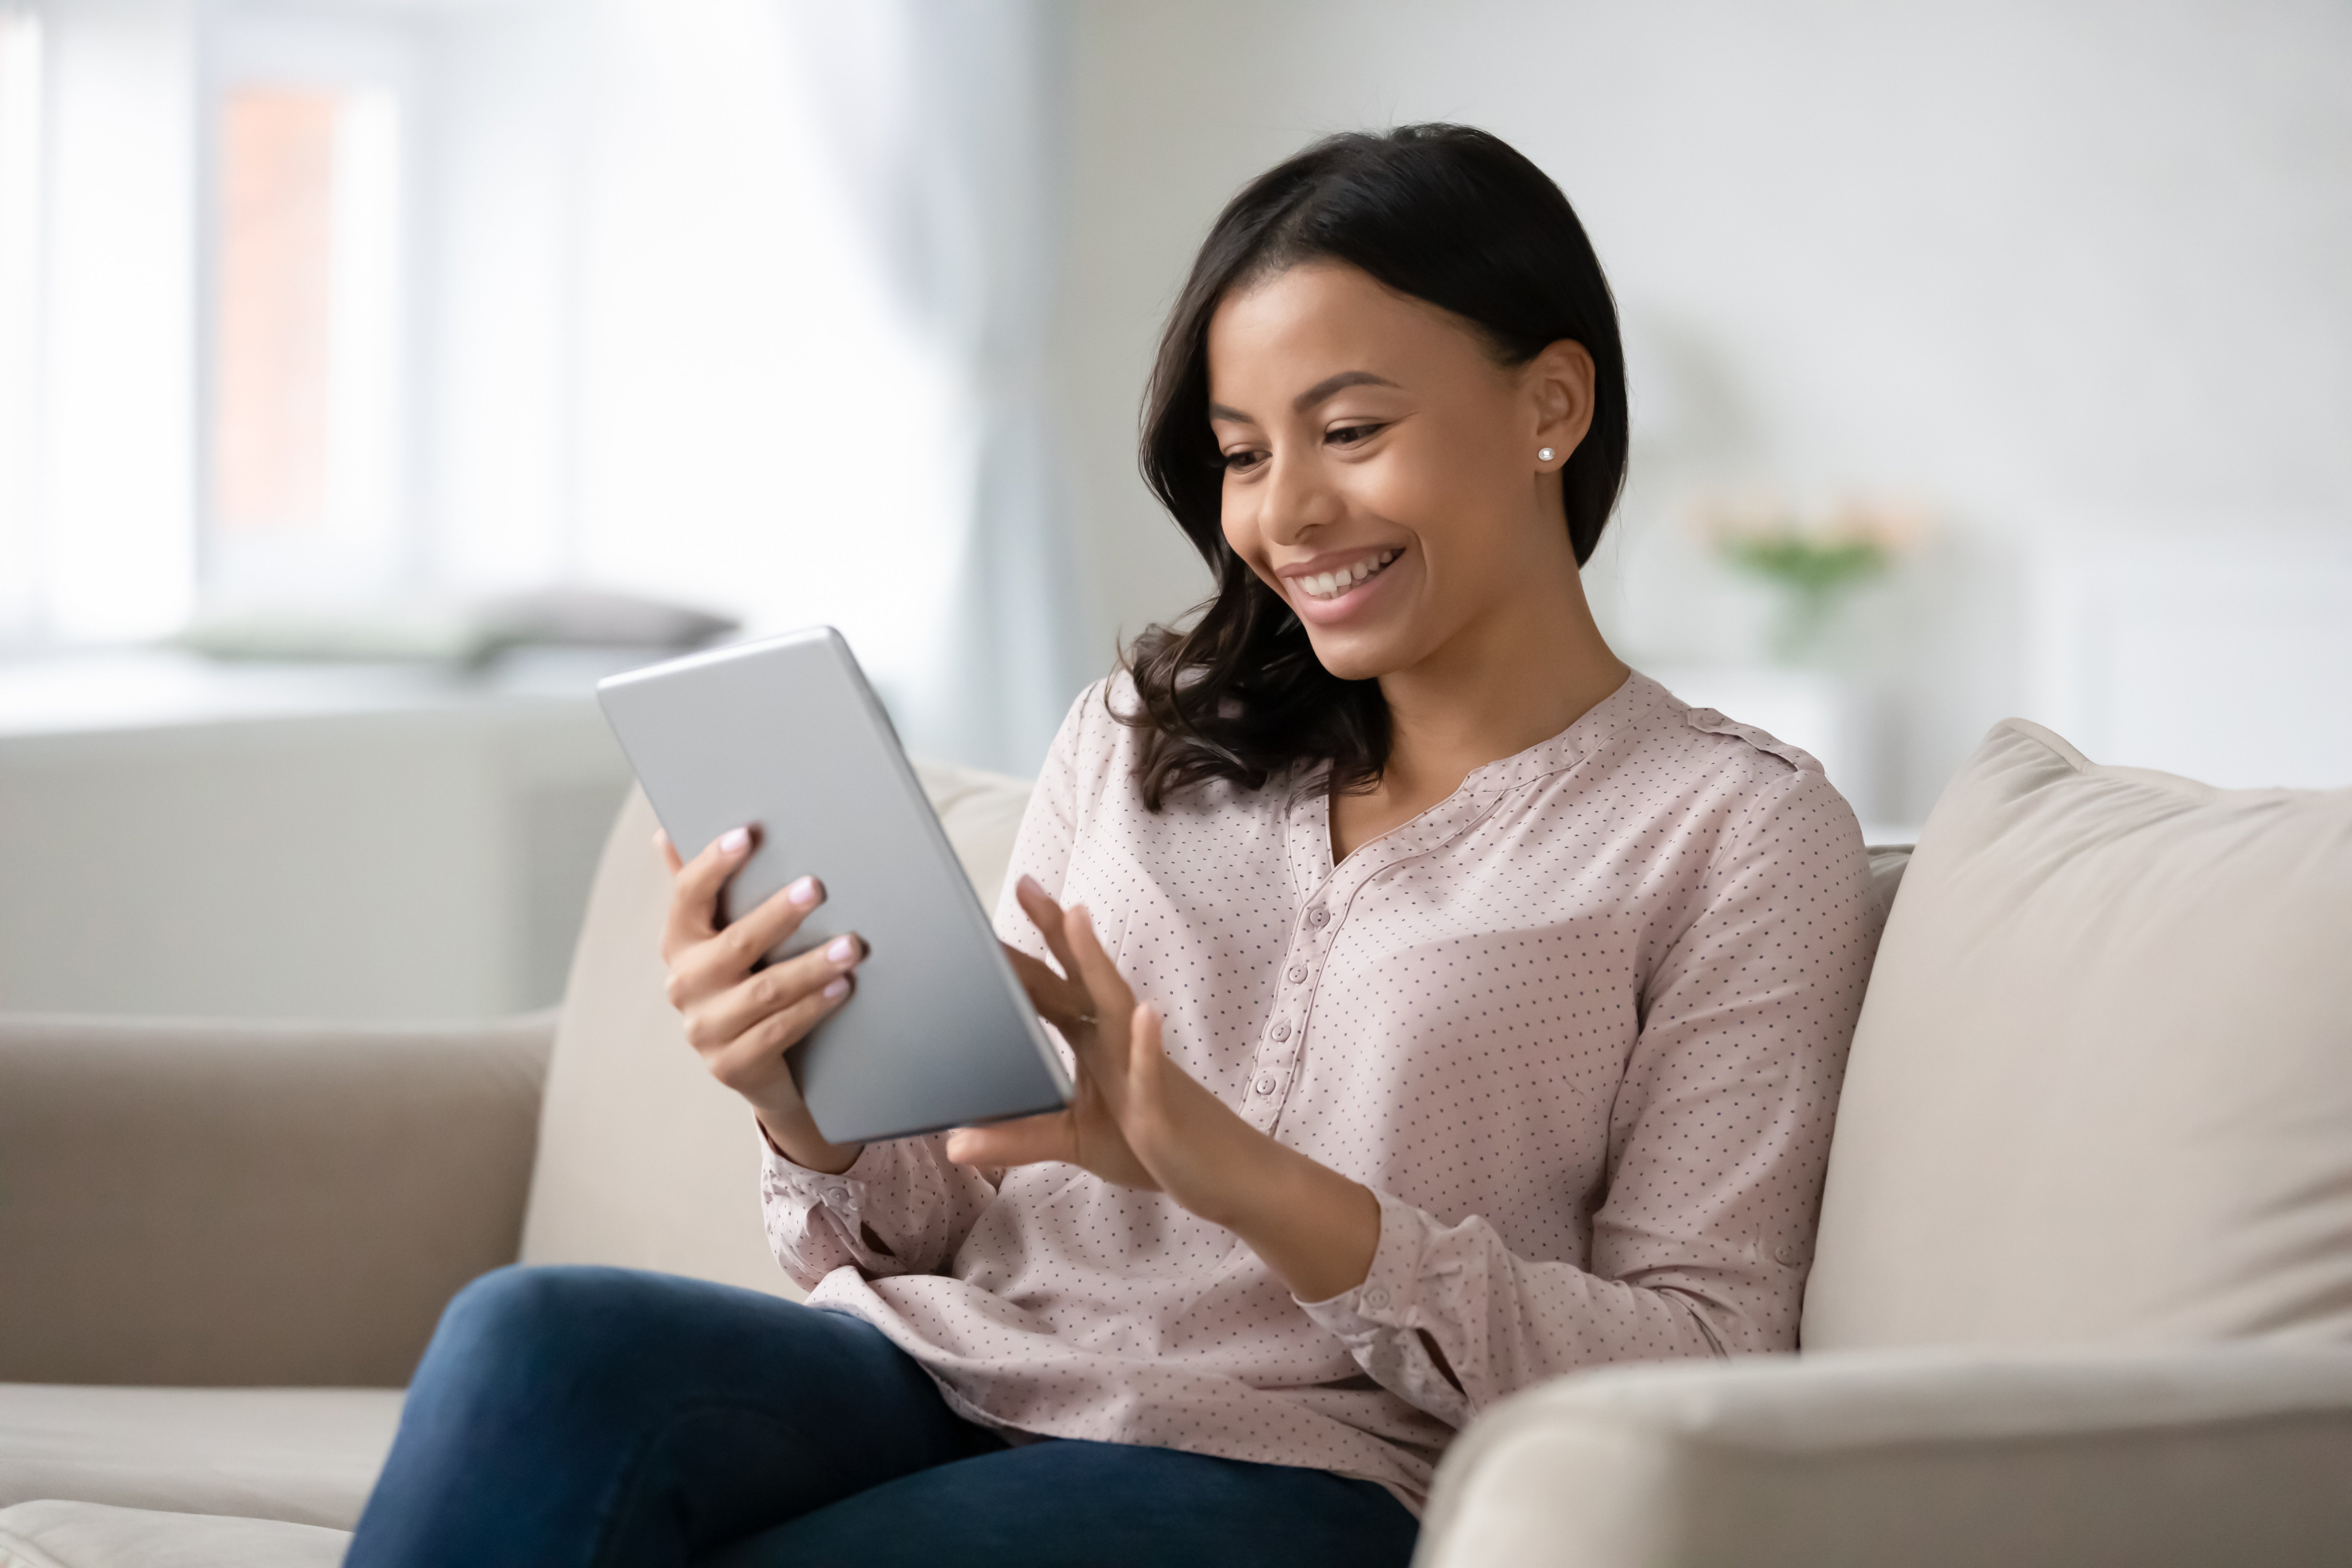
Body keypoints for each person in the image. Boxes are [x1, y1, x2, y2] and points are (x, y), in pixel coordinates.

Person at [348, 123, 1879, 1568]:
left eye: (1349, 429)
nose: (1287, 516)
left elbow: (1702, 1363)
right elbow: (935, 1214)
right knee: (530, 1335)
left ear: (1552, 403)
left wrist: (1255, 1184)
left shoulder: (1734, 833)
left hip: (1299, 1472)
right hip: (949, 1377)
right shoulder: (1145, 736)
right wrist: (800, 1099)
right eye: (1243, 453)